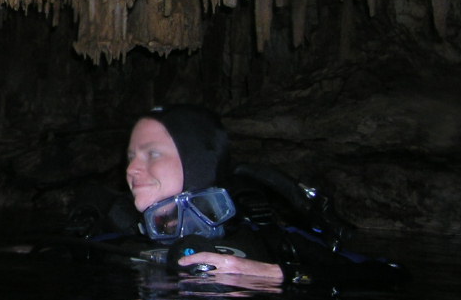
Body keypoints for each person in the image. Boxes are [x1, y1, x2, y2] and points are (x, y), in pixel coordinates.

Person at [84, 103, 406, 286]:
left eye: (152, 154)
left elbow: (388, 277)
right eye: (130, 156)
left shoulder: (269, 241)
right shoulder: (118, 239)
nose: (131, 169)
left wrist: (274, 275)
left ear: (196, 159)